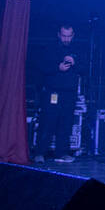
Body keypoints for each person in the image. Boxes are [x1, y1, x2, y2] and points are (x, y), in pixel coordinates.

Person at [33, 23, 83, 163]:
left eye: (69, 36)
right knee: (48, 121)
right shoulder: (49, 49)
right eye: (64, 36)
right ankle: (40, 153)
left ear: (73, 36)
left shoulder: (77, 50)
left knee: (66, 123)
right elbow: (41, 67)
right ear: (59, 35)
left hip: (70, 93)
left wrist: (75, 63)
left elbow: (85, 69)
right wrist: (57, 67)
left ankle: (61, 153)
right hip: (52, 92)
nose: (66, 39)